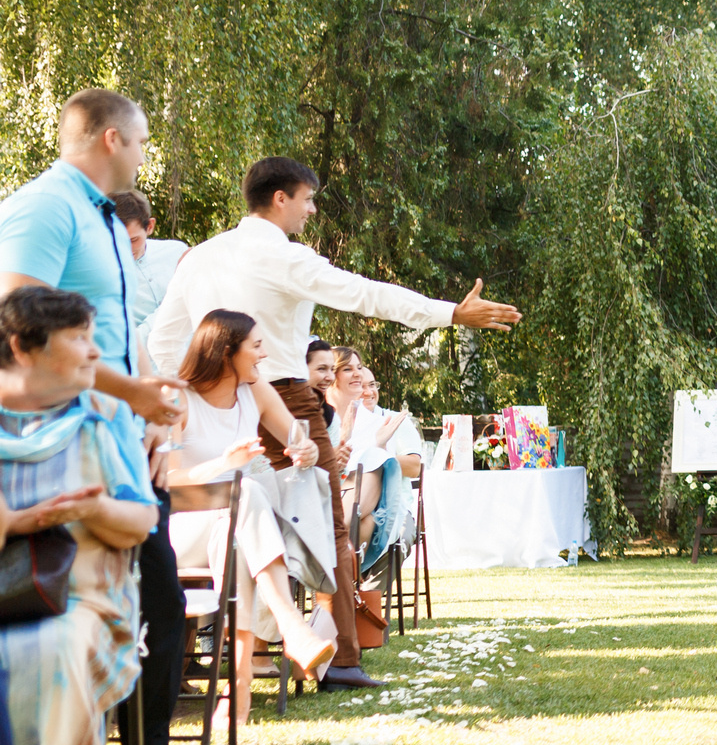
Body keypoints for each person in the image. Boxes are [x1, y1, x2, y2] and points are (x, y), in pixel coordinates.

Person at [148, 155, 522, 692]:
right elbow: (365, 293)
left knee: (222, 513)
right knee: (326, 524)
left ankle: (198, 654)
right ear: (281, 199)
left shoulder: (199, 259)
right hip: (283, 400)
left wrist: (187, 396)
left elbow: (163, 340)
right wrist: (451, 314)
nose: (312, 209)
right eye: (307, 198)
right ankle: (340, 659)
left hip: (210, 400)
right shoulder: (285, 257)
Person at [0, 89, 205, 745]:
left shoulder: (107, 221)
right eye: (143, 141)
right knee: (57, 594)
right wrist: (129, 395)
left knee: (157, 593)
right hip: (59, 442)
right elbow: (20, 325)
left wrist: (150, 405)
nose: (146, 154)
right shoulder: (44, 206)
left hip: (121, 439)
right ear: (112, 139)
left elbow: (116, 327)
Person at [0, 287, 160, 745]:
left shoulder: (99, 423)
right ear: (23, 347)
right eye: (79, 338)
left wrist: (95, 509)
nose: (97, 351)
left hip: (83, 600)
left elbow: (143, 520)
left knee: (54, 647)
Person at [166, 310, 339, 723]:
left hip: (233, 527)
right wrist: (222, 465)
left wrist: (306, 451)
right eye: (257, 345)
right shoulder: (178, 397)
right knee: (247, 492)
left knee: (240, 534)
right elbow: (165, 480)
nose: (265, 354)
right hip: (181, 528)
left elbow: (298, 440)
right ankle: (290, 625)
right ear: (227, 352)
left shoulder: (255, 390)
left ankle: (239, 691)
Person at [329, 353, 425, 570]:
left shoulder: (393, 420)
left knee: (399, 532)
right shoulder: (329, 419)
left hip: (391, 504)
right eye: (361, 384)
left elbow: (414, 466)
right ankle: (353, 585)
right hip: (348, 502)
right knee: (366, 522)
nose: (368, 391)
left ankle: (363, 591)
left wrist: (380, 452)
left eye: (372, 384)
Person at [110, 190, 186, 339]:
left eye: (133, 240)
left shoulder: (177, 253)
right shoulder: (102, 274)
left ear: (150, 226)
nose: (126, 249)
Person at [306, 340, 341, 430]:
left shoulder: (330, 416)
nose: (330, 377)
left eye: (332, 369)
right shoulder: (280, 407)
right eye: (322, 369)